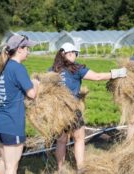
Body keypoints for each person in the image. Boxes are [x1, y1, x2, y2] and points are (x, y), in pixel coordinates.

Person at [51, 42, 127, 173]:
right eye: (76, 53)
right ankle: (80, 168)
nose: (76, 56)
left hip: (58, 111)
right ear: (70, 54)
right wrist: (118, 73)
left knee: (61, 141)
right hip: (72, 110)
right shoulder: (75, 69)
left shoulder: (53, 69)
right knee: (79, 138)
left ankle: (60, 169)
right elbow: (97, 76)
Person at [0, 34, 39, 174]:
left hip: (0, 122)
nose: (28, 52)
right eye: (27, 48)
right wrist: (36, 83)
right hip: (13, 124)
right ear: (19, 49)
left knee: (4, 161)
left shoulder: (5, 67)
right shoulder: (18, 68)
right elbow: (32, 94)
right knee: (12, 167)